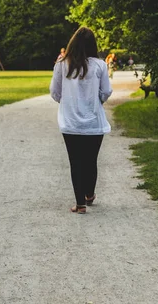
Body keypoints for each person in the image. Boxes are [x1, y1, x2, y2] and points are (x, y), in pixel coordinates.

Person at [50, 27, 113, 214]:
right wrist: (96, 100)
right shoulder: (100, 65)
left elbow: (55, 92)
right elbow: (106, 91)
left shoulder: (62, 64)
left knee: (75, 161)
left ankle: (80, 204)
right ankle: (89, 194)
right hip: (94, 122)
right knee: (91, 159)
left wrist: (69, 102)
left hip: (70, 123)